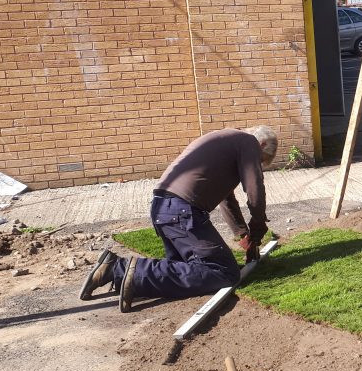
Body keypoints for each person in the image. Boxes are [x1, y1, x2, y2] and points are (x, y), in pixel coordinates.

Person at [79, 126, 277, 313]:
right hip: (182, 211)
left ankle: (116, 273)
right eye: (260, 161)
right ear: (262, 145)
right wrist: (258, 228)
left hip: (162, 208)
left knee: (185, 268)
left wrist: (243, 234)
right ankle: (126, 269)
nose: (257, 164)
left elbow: (227, 199)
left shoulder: (228, 139)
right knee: (224, 272)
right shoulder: (249, 142)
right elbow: (255, 190)